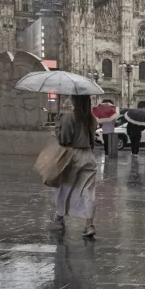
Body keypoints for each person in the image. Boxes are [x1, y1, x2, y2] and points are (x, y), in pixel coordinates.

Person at [53, 95, 99, 238]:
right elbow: (93, 140)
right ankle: (89, 224)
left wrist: (57, 125)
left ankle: (60, 217)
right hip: (88, 156)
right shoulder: (92, 118)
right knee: (88, 190)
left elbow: (64, 139)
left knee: (63, 187)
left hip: (71, 155)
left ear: (74, 101)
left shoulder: (69, 117)